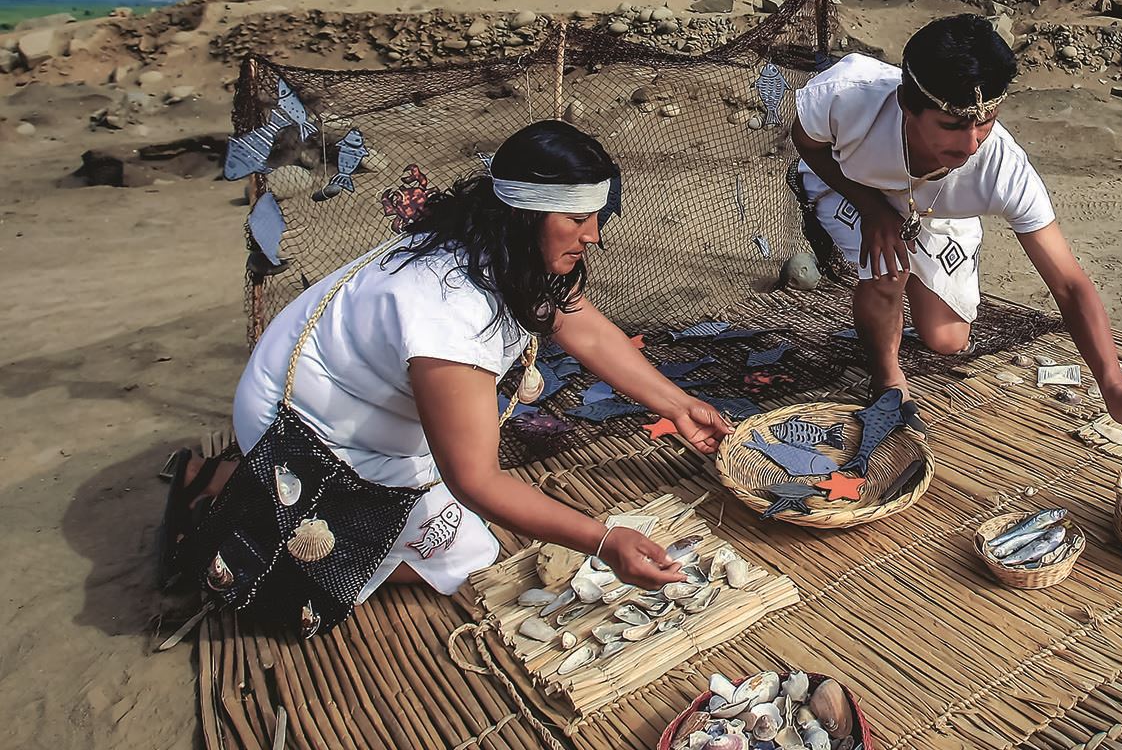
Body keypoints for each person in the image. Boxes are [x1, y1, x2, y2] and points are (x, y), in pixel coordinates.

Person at [161, 120, 734, 602]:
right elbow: (476, 480)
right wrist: (604, 542)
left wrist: (679, 404)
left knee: (455, 527)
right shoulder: (449, 314)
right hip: (302, 425)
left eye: (595, 217)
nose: (594, 237)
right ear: (527, 214)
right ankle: (240, 530)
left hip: (346, 396)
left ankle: (230, 480)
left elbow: (581, 326)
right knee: (465, 556)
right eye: (577, 219)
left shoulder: (497, 243)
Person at [792, 15, 1122, 437]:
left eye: (985, 122)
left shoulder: (1001, 167)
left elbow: (1069, 284)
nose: (970, 145)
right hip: (852, 182)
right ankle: (888, 379)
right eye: (951, 125)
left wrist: (1113, 385)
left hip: (937, 210)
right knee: (889, 270)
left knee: (946, 339)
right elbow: (807, 143)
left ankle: (920, 260)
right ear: (907, 105)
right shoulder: (846, 95)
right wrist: (871, 209)